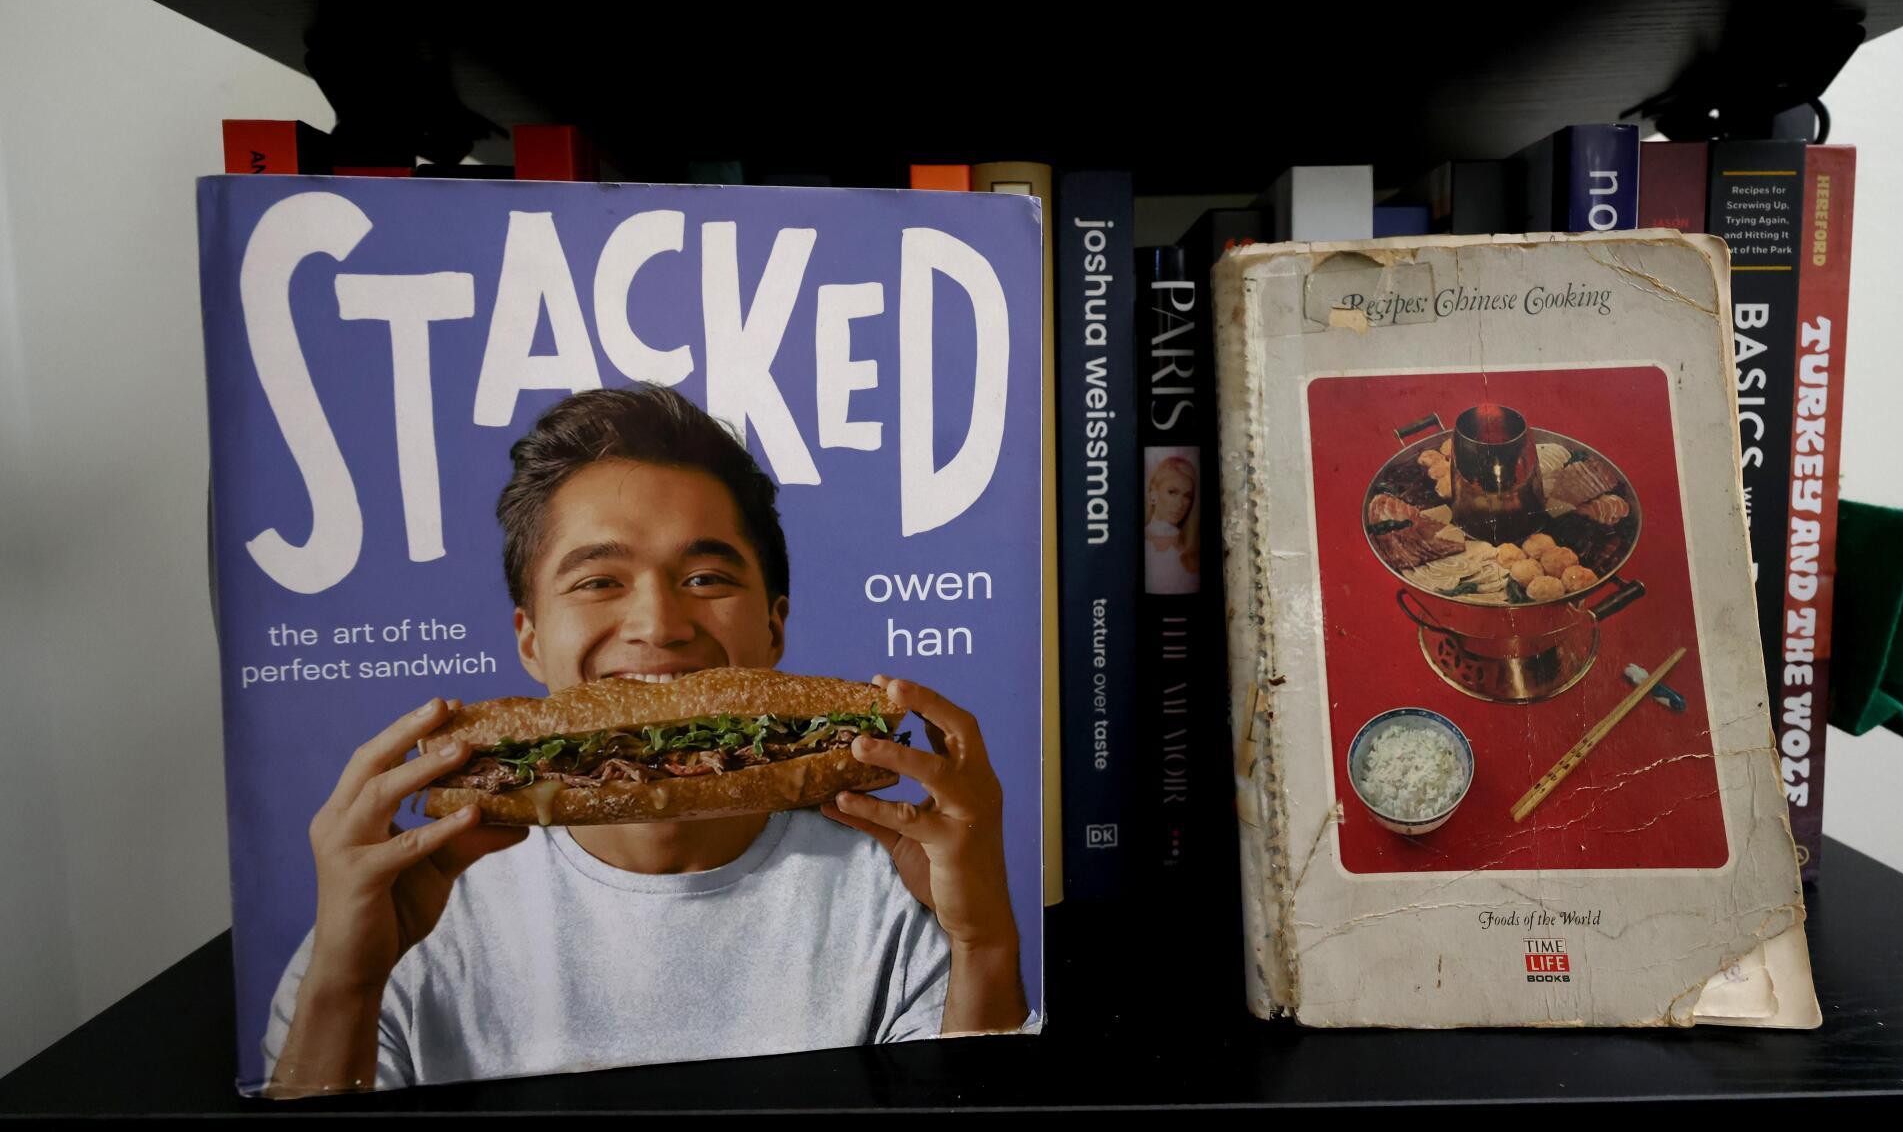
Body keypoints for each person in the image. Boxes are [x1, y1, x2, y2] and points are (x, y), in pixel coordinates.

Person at [261, 384, 1029, 1096]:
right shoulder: (402, 910)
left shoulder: (901, 894)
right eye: (598, 581)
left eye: (706, 578)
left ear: (775, 625)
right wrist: (347, 985)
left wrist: (986, 939)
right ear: (529, 639)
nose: (659, 625)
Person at [1142, 453, 1200, 596]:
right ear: (1153, 494)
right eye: (1172, 492)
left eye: (1187, 496)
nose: (1180, 504)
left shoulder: (1193, 545)